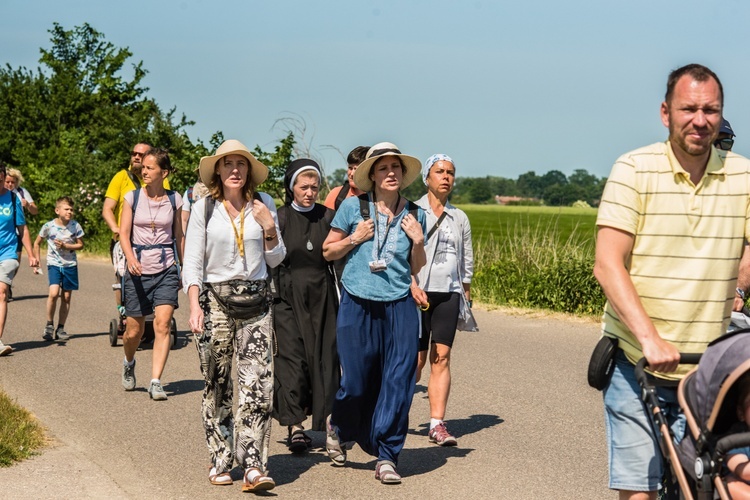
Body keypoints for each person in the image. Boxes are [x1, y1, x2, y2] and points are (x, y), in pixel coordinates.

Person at [593, 64, 750, 500]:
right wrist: (649, 339)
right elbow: (608, 264)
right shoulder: (634, 170)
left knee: (730, 482)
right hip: (636, 361)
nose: (700, 119)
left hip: (711, 372)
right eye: (689, 109)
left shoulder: (743, 176)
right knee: (640, 491)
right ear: (666, 113)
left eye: (710, 110)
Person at [182, 139, 285, 491]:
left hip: (257, 305)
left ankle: (254, 463)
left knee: (257, 384)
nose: (235, 170)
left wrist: (269, 227)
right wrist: (194, 305)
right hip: (215, 303)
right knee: (218, 383)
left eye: (241, 164)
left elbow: (276, 259)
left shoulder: (264, 204)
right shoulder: (204, 209)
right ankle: (221, 459)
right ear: (218, 171)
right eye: (228, 164)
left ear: (249, 172)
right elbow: (192, 262)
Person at [322, 142, 426, 485]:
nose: (391, 173)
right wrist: (354, 239)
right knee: (355, 380)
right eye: (383, 168)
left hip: (399, 303)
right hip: (358, 300)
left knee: (399, 380)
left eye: (396, 168)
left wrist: (419, 242)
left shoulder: (415, 213)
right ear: (372, 175)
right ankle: (339, 424)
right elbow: (328, 251)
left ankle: (387, 455)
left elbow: (416, 267)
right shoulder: (353, 207)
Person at [272, 158, 339, 453]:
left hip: (323, 297)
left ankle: (328, 425)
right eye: (304, 187)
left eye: (314, 187)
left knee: (325, 361)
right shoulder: (280, 217)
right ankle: (295, 426)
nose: (310, 192)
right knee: (293, 362)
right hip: (287, 297)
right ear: (292, 187)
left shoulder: (328, 217)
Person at [411, 153, 474, 447]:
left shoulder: (459, 217)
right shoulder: (413, 212)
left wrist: (466, 291)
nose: (446, 177)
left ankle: (437, 424)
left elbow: (466, 258)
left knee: (442, 358)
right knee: (416, 360)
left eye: (450, 172)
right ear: (427, 178)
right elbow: (402, 255)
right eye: (440, 172)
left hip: (448, 293)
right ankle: (395, 413)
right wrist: (410, 284)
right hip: (418, 293)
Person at [118, 148, 183, 401]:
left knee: (163, 324)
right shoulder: (132, 197)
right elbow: (124, 233)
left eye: (149, 168)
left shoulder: (176, 199)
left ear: (163, 173)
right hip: (138, 268)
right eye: (143, 167)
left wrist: (183, 267)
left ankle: (156, 380)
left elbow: (179, 235)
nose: (144, 171)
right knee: (133, 332)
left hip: (166, 267)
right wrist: (131, 259)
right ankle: (129, 360)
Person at [102, 142, 170, 313]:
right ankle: (123, 311)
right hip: (124, 240)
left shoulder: (162, 179)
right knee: (123, 277)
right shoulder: (121, 177)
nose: (136, 157)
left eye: (141, 154)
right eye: (134, 154)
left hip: (153, 242)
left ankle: (156, 310)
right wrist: (116, 228)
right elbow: (107, 209)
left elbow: (167, 206)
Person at [0, 161, 39, 356]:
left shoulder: (14, 199)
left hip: (8, 250)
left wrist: (31, 254)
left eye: (2, 179)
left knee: (2, 291)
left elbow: (22, 230)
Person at [33, 196, 84, 341]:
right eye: (66, 209)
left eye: (71, 210)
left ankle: (61, 328)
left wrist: (67, 246)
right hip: (54, 263)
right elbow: (37, 243)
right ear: (57, 210)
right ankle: (49, 325)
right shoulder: (48, 226)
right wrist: (36, 261)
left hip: (70, 265)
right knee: (54, 293)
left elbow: (81, 244)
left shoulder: (75, 226)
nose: (70, 212)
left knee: (66, 297)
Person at [724, 373, 750, 499]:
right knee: (730, 483)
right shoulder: (737, 436)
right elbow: (743, 471)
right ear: (741, 413)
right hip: (744, 487)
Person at [323, 146, 369, 210]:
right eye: (350, 168)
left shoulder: (380, 196)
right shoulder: (337, 194)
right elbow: (327, 219)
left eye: (356, 169)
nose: (352, 174)